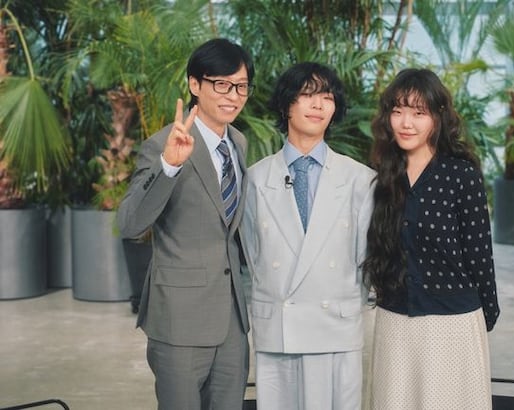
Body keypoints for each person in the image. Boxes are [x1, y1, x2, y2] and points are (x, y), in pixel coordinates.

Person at [117, 38, 254, 410]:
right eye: (221, 84)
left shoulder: (238, 142)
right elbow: (130, 224)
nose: (233, 96)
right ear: (195, 84)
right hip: (180, 319)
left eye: (241, 86)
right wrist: (169, 166)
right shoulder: (162, 144)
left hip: (232, 319)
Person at [362, 68, 500, 410]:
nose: (406, 123)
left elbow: (479, 253)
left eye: (418, 113)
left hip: (451, 323)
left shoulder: (461, 175)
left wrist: (486, 313)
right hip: (394, 321)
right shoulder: (381, 176)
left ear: (437, 118)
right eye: (398, 111)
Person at [240, 62, 375, 410]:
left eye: (327, 97)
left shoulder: (361, 180)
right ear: (286, 103)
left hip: (337, 330)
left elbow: (365, 263)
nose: (318, 105)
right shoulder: (254, 180)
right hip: (279, 329)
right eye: (307, 94)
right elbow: (254, 259)